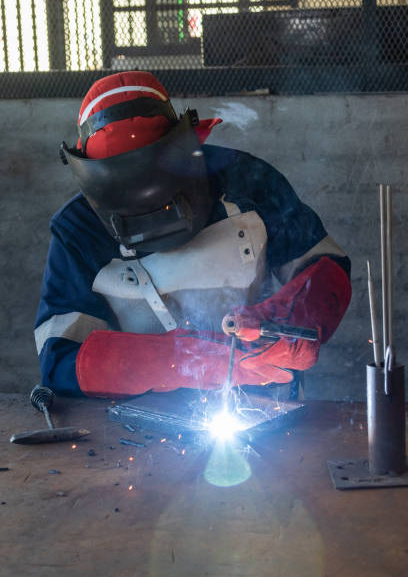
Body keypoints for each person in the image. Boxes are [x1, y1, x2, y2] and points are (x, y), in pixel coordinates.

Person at [34, 71, 351, 398]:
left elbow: (326, 266)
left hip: (261, 399)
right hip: (136, 420)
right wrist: (184, 359)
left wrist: (288, 318)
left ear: (187, 148)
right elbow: (61, 360)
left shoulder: (247, 182)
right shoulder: (77, 230)